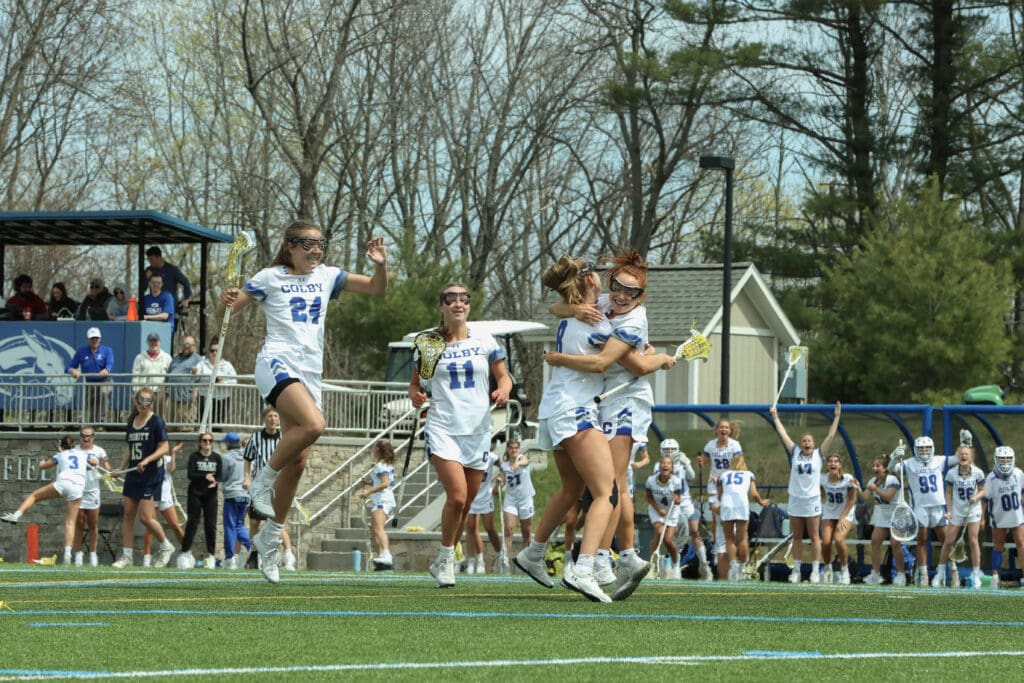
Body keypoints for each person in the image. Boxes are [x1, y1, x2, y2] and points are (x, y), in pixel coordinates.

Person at [223, 221, 387, 584]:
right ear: (291, 246)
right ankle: (263, 483)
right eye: (308, 245)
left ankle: (268, 540)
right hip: (276, 361)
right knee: (315, 425)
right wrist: (229, 299)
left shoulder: (329, 276)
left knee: (298, 461)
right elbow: (234, 308)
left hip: (310, 372)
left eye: (320, 245)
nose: (316, 251)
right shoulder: (269, 277)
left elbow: (377, 289)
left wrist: (380, 264)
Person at [543, 248, 676, 600]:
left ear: (640, 295)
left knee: (612, 485)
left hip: (626, 400)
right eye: (617, 286)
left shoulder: (633, 320)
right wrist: (574, 308)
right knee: (608, 486)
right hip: (603, 401)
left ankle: (603, 559)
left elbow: (634, 366)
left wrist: (659, 358)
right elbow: (554, 308)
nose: (620, 295)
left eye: (629, 292)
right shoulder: (603, 302)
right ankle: (619, 557)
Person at [513, 257, 619, 603]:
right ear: (588, 280)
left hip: (555, 407)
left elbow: (555, 304)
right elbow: (609, 361)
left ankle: (533, 552)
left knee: (572, 488)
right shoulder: (592, 321)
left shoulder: (583, 310)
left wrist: (571, 308)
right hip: (574, 409)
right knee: (606, 491)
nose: (604, 282)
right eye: (597, 277)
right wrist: (652, 358)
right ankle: (584, 568)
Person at [408, 283, 513, 589]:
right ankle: (446, 558)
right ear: (441, 305)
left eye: (463, 299)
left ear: (469, 305)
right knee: (456, 496)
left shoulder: (484, 340)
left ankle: (442, 559)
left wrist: (503, 388)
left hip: (479, 428)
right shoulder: (429, 342)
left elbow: (503, 375)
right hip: (443, 426)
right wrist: (416, 395)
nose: (457, 303)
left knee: (466, 504)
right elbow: (415, 385)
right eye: (450, 299)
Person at [769, 401, 841, 584]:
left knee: (815, 536)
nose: (806, 443)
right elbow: (783, 433)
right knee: (798, 537)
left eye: (809, 441)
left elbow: (831, 436)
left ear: (814, 444)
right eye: (804, 441)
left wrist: (837, 416)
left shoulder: (818, 455)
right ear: (801, 444)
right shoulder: (795, 452)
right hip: (796, 499)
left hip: (812, 500)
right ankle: (797, 571)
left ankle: (816, 570)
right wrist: (775, 417)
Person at [111, 387, 176, 568]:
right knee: (128, 515)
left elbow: (164, 448)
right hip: (133, 473)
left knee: (146, 518)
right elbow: (129, 448)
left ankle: (165, 545)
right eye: (141, 400)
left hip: (150, 474)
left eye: (148, 401)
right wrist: (120, 468)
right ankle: (127, 556)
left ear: (152, 403)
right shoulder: (132, 421)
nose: (144, 405)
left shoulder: (156, 421)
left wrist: (147, 460)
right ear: (136, 401)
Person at [2, 436, 92, 564]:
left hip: (63, 483)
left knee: (34, 496)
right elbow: (93, 462)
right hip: (77, 487)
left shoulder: (60, 455)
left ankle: (16, 516)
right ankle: (67, 555)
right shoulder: (83, 454)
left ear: (61, 445)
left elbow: (43, 466)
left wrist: (41, 462)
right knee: (70, 522)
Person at [888, 435, 958, 586]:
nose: (924, 451)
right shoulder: (910, 463)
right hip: (919, 507)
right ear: (915, 449)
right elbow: (892, 469)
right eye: (921, 448)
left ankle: (953, 571)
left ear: (932, 449)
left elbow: (958, 458)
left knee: (946, 540)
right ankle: (924, 574)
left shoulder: (939, 460)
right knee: (922, 540)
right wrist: (894, 457)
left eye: (927, 448)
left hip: (938, 506)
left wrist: (966, 444)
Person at [242, 407, 296, 572]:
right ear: (265, 419)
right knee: (254, 521)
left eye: (275, 416)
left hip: (277, 483)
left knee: (276, 520)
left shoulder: (284, 437)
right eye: (270, 416)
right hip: (260, 483)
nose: (272, 419)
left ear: (279, 419)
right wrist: (246, 478)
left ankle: (288, 553)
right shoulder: (256, 438)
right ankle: (253, 553)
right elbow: (248, 459)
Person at [712, 454, 770, 581]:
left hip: (727, 504)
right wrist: (761, 502)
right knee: (742, 538)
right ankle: (743, 568)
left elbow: (720, 495)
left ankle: (733, 566)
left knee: (729, 538)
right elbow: (754, 494)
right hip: (741, 504)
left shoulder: (723, 475)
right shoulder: (748, 474)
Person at [662, 438, 712, 581]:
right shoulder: (659, 466)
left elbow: (692, 476)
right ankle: (675, 566)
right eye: (666, 450)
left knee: (695, 532)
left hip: (685, 503)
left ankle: (704, 564)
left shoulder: (682, 462)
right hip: (670, 505)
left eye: (672, 450)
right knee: (672, 536)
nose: (669, 453)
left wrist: (688, 464)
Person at [700, 419, 744, 580]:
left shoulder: (735, 445)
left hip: (731, 486)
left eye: (726, 427)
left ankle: (737, 563)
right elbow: (704, 461)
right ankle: (723, 567)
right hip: (714, 486)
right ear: (716, 430)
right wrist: (701, 462)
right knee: (717, 517)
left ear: (730, 430)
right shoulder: (710, 445)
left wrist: (725, 479)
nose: (724, 429)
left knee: (732, 526)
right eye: (721, 427)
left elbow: (739, 464)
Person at [936, 444, 985, 588]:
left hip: (973, 511)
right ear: (958, 456)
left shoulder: (978, 473)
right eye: (961, 454)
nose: (963, 456)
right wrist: (949, 510)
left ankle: (976, 575)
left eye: (966, 454)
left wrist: (976, 497)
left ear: (971, 457)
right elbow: (949, 493)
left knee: (973, 540)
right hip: (957, 511)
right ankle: (941, 574)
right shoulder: (951, 473)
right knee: (949, 541)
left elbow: (983, 490)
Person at [859, 453, 907, 586]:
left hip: (898, 514)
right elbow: (864, 497)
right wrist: (857, 487)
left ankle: (901, 574)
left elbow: (888, 497)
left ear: (885, 468)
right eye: (873, 466)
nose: (875, 468)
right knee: (875, 541)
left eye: (878, 466)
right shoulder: (872, 481)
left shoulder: (892, 480)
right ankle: (875, 574)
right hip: (884, 515)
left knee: (895, 543)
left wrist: (875, 489)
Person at [176, 432, 222, 568]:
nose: (207, 443)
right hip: (195, 494)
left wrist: (216, 482)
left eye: (210, 441)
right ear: (200, 442)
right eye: (204, 440)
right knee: (192, 523)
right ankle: (184, 553)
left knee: (211, 525)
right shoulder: (194, 457)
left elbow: (220, 475)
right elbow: (191, 474)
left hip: (211, 495)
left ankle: (211, 556)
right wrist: (205, 476)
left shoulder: (217, 458)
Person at [981, 446, 1024, 590]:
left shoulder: (1018, 473)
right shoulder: (991, 477)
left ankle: (1023, 577)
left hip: (1016, 514)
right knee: (998, 546)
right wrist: (982, 518)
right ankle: (995, 577)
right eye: (1002, 459)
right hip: (998, 515)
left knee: (1021, 545)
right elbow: (985, 500)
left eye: (1008, 459)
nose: (1005, 461)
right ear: (996, 459)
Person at [142, 441, 185, 567]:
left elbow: (171, 469)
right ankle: (146, 559)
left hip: (165, 497)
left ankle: (187, 552)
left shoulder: (166, 459)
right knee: (150, 528)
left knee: (175, 525)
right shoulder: (147, 459)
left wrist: (173, 453)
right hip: (151, 496)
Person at [72, 426, 109, 567]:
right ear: (80, 436)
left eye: (89, 436)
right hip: (78, 491)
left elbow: (108, 470)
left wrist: (98, 463)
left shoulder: (99, 451)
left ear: (93, 437)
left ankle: (93, 555)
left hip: (93, 491)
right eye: (83, 435)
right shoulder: (74, 451)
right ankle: (78, 555)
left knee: (93, 525)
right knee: (79, 524)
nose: (86, 438)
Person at [463, 440, 502, 574]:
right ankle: (475, 560)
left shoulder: (491, 457)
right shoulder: (468, 456)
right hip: (471, 496)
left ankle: (500, 556)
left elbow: (504, 467)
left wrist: (499, 482)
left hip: (485, 496)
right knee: (471, 528)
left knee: (489, 527)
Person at [820, 453, 859, 584]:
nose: (833, 464)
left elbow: (853, 500)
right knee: (825, 542)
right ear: (827, 465)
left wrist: (842, 517)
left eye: (836, 461)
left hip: (845, 512)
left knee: (838, 538)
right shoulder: (823, 479)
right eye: (830, 461)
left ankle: (844, 570)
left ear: (840, 465)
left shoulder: (848, 479)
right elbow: (820, 494)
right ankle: (827, 568)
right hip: (829, 512)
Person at [359, 440, 397, 570]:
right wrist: (369, 482)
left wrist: (368, 492)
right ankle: (381, 555)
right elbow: (382, 482)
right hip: (381, 499)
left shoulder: (380, 465)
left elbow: (385, 483)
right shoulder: (385, 465)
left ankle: (386, 553)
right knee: (374, 530)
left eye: (374, 447)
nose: (372, 450)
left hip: (383, 500)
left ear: (378, 450)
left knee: (379, 528)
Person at [66, 327, 115, 425]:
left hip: (105, 380)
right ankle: (92, 424)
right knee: (92, 403)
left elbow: (110, 362)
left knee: (103, 394)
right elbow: (69, 366)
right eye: (92, 338)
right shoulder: (81, 351)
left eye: (97, 338)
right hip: (89, 383)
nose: (95, 340)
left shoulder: (107, 350)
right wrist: (72, 371)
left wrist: (106, 369)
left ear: (100, 339)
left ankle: (101, 422)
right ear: (88, 339)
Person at [500, 438, 535, 571]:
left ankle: (526, 561)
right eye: (511, 448)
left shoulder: (522, 459)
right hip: (511, 499)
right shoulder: (504, 465)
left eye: (516, 448)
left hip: (525, 499)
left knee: (526, 532)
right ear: (508, 450)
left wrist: (518, 463)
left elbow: (525, 461)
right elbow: (503, 479)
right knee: (509, 529)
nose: (514, 450)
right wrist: (499, 482)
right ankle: (505, 562)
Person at [646, 456, 683, 578]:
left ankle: (675, 564)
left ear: (671, 468)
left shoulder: (676, 481)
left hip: (672, 511)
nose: (665, 465)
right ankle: (652, 565)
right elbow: (649, 498)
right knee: (659, 531)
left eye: (668, 463)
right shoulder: (651, 481)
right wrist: (658, 510)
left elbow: (678, 500)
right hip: (656, 510)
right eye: (663, 463)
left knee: (667, 540)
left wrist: (676, 499)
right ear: (659, 466)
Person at [220, 432, 251, 570]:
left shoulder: (226, 458)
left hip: (232, 495)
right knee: (238, 525)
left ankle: (230, 558)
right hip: (245, 495)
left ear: (228, 443)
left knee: (230, 527)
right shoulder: (247, 456)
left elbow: (222, 476)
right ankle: (256, 549)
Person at [192, 337, 237, 427]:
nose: (215, 353)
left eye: (217, 350)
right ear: (209, 352)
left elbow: (234, 381)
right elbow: (195, 376)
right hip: (204, 398)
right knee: (202, 424)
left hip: (221, 400)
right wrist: (194, 371)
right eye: (212, 350)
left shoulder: (227, 365)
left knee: (217, 425)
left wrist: (223, 382)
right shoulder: (202, 363)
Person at [164, 335, 202, 426]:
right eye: (185, 344)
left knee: (184, 428)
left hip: (186, 400)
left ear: (194, 346)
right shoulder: (176, 359)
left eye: (189, 345)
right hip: (172, 399)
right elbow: (168, 376)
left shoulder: (197, 359)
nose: (186, 347)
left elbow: (202, 378)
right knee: (170, 427)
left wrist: (195, 392)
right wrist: (165, 387)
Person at [145, 246, 193, 314]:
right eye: (148, 260)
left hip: (170, 307)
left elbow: (186, 282)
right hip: (155, 307)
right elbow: (143, 288)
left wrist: (186, 298)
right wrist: (146, 278)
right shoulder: (149, 270)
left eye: (151, 259)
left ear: (159, 258)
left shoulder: (172, 269)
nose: (150, 262)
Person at [132, 332, 172, 413]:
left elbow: (170, 376)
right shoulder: (139, 357)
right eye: (151, 341)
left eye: (155, 341)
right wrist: (136, 393)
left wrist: (166, 392)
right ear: (147, 342)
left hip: (160, 393)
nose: (153, 343)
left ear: (159, 342)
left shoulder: (167, 357)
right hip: (144, 393)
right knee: (143, 416)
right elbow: (135, 376)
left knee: (160, 418)